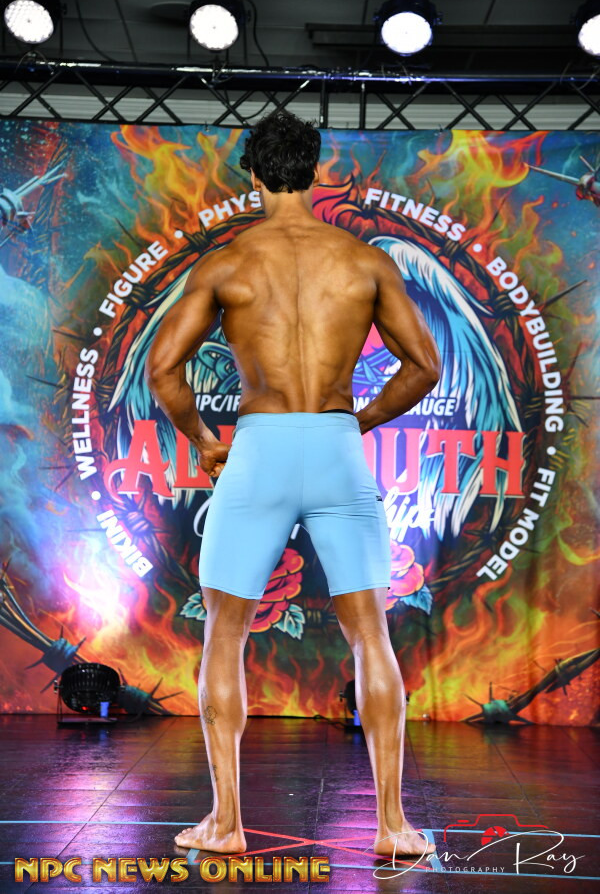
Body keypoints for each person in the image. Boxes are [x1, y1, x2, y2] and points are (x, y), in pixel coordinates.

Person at [145, 109, 441, 859]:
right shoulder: (363, 261)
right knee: (370, 633)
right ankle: (393, 827)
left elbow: (163, 369)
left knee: (225, 633)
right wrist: (357, 422)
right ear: (315, 172)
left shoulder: (229, 263)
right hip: (336, 445)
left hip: (260, 449)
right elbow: (424, 366)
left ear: (251, 173)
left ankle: (226, 824)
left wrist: (205, 441)